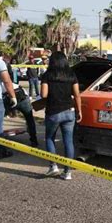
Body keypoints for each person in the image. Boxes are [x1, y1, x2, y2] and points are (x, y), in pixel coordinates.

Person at [41, 51, 82, 180]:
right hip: (69, 111)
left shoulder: (47, 75)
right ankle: (67, 172)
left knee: (49, 138)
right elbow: (77, 95)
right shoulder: (71, 75)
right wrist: (79, 111)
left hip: (53, 112)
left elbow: (43, 95)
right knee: (68, 141)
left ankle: (53, 167)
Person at [2, 54, 39, 147]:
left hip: (9, 98)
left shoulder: (0, 83)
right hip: (23, 97)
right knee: (29, 119)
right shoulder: (11, 80)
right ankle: (34, 140)